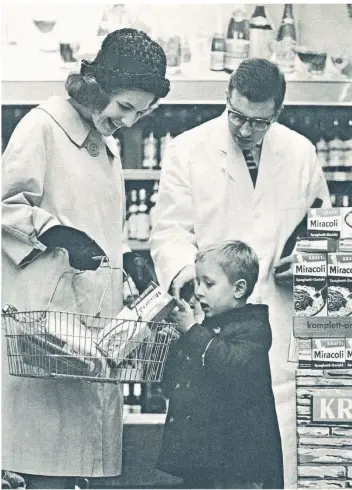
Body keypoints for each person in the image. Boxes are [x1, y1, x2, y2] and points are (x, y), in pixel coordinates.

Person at [150, 58, 331, 488]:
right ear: (226, 99)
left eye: (258, 121)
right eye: (236, 116)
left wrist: (309, 257)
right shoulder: (187, 149)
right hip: (215, 325)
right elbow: (169, 230)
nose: (244, 130)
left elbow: (323, 228)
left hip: (280, 320)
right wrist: (186, 276)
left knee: (278, 458)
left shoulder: (301, 153)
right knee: (215, 465)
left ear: (277, 112)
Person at [2, 28, 170, 489]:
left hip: (89, 338)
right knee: (44, 470)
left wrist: (126, 260)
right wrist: (52, 231)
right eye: (124, 107)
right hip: (43, 335)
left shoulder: (106, 144)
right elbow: (4, 206)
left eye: (141, 112)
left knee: (74, 471)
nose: (130, 121)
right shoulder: (42, 127)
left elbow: (96, 224)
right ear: (97, 88)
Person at [157, 241, 283, 489]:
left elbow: (230, 364)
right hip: (203, 460)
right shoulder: (206, 328)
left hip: (240, 464)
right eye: (198, 283)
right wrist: (174, 343)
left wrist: (191, 332)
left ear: (239, 289)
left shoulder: (254, 328)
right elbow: (175, 382)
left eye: (209, 284)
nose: (199, 292)